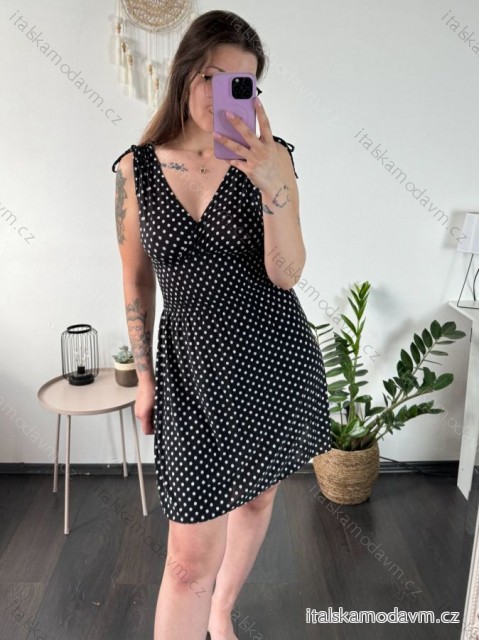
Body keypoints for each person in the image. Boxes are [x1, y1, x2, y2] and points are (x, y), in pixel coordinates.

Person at [111, 9, 331, 640]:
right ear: (185, 73)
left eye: (240, 83)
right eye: (210, 76)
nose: (220, 94)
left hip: (272, 358)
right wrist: (145, 378)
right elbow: (136, 282)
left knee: (258, 498)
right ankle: (202, 606)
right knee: (186, 562)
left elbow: (287, 273)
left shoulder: (273, 159)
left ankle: (222, 610)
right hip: (191, 373)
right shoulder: (135, 170)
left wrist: (271, 186)